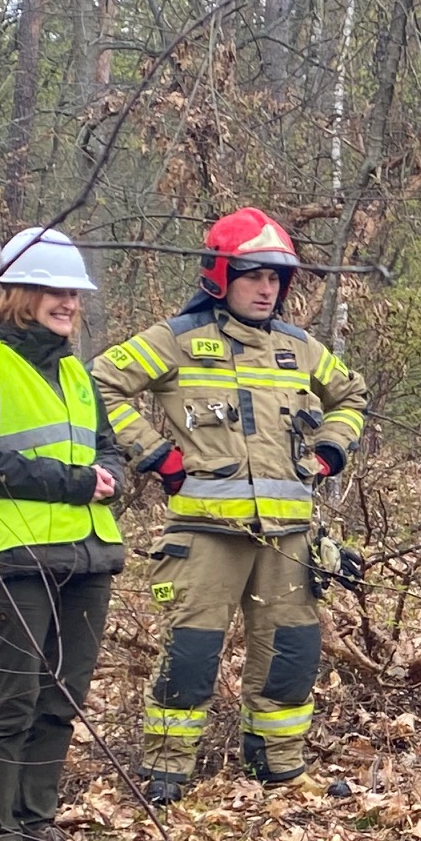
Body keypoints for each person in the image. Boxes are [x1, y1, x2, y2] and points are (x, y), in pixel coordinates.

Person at [93, 207, 366, 803]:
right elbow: (100, 382)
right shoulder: (178, 339)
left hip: (287, 535)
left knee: (291, 653)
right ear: (221, 277)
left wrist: (328, 451)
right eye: (253, 276)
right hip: (204, 534)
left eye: (276, 278)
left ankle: (279, 767)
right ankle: (167, 773)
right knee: (190, 655)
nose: (267, 289)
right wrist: (157, 456)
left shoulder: (299, 348)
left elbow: (352, 396)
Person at [0, 228, 125, 841]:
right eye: (57, 292)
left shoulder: (76, 370)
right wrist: (75, 483)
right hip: (15, 553)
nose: (69, 304)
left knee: (62, 697)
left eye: (75, 294)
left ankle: (35, 823)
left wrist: (111, 475)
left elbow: (108, 446)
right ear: (19, 293)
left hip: (89, 553)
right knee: (14, 697)